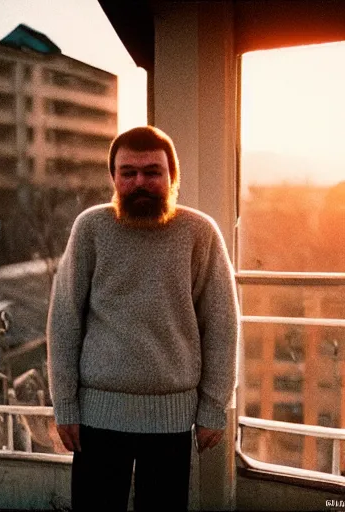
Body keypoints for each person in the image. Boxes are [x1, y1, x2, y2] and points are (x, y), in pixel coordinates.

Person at [46, 126, 239, 511]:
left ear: (172, 177)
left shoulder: (199, 232)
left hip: (171, 420)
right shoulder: (91, 228)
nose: (140, 182)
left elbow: (221, 323)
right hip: (96, 417)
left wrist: (213, 407)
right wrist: (64, 404)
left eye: (152, 172)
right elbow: (65, 318)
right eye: (128, 172)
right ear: (113, 177)